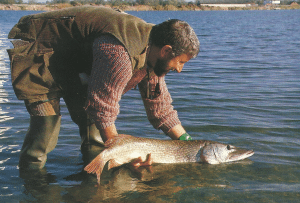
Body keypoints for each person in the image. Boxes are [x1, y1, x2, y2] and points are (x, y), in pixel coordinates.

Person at [7, 6, 200, 170]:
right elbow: (103, 107)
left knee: (95, 134)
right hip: (41, 51)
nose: (179, 70)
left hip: (77, 64)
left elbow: (161, 109)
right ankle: (33, 187)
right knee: (45, 131)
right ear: (166, 50)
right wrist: (121, 154)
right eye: (180, 62)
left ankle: (92, 181)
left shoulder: (154, 53)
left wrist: (188, 143)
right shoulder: (120, 54)